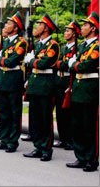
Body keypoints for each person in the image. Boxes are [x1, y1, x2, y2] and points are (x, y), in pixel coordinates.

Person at [23, 13, 59, 162]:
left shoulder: (53, 45)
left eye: (39, 26)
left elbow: (45, 63)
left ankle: (46, 148)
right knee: (35, 118)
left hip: (46, 85)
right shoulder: (38, 45)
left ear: (45, 28)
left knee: (45, 118)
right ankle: (38, 146)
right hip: (36, 84)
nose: (36, 28)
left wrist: (32, 61)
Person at [66, 11, 99, 172]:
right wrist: (75, 64)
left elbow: (87, 66)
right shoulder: (83, 46)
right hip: (79, 88)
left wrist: (73, 64)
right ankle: (80, 156)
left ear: (93, 28)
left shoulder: (97, 46)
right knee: (77, 125)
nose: (82, 28)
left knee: (89, 126)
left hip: (89, 89)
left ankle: (91, 159)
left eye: (85, 25)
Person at [0, 11, 27, 153]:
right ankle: (4, 139)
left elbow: (11, 62)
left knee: (14, 112)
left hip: (13, 79)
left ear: (16, 28)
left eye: (9, 23)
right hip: (4, 79)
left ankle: (13, 141)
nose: (6, 25)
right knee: (4, 112)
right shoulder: (6, 42)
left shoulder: (21, 42)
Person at [53, 20, 80, 151]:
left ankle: (71, 139)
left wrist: (62, 64)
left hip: (69, 81)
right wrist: (62, 64)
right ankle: (63, 138)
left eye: (68, 31)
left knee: (69, 113)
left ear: (74, 34)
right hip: (59, 80)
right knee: (59, 112)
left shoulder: (78, 48)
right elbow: (58, 64)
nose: (65, 33)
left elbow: (66, 65)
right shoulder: (63, 48)